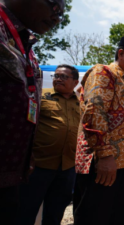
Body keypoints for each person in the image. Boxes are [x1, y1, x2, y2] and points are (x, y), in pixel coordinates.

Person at [0, 0, 65, 223]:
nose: (57, 18)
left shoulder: (25, 46)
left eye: (62, 15)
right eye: (54, 7)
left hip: (15, 174)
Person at [73, 37, 124, 225]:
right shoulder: (103, 72)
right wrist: (105, 156)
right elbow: (94, 113)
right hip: (102, 162)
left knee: (118, 216)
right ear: (121, 54)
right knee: (96, 216)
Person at [18, 65, 79, 225]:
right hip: (39, 166)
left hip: (67, 168)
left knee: (55, 213)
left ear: (75, 82)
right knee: (26, 211)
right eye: (56, 76)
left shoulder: (80, 102)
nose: (58, 79)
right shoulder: (40, 96)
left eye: (64, 77)